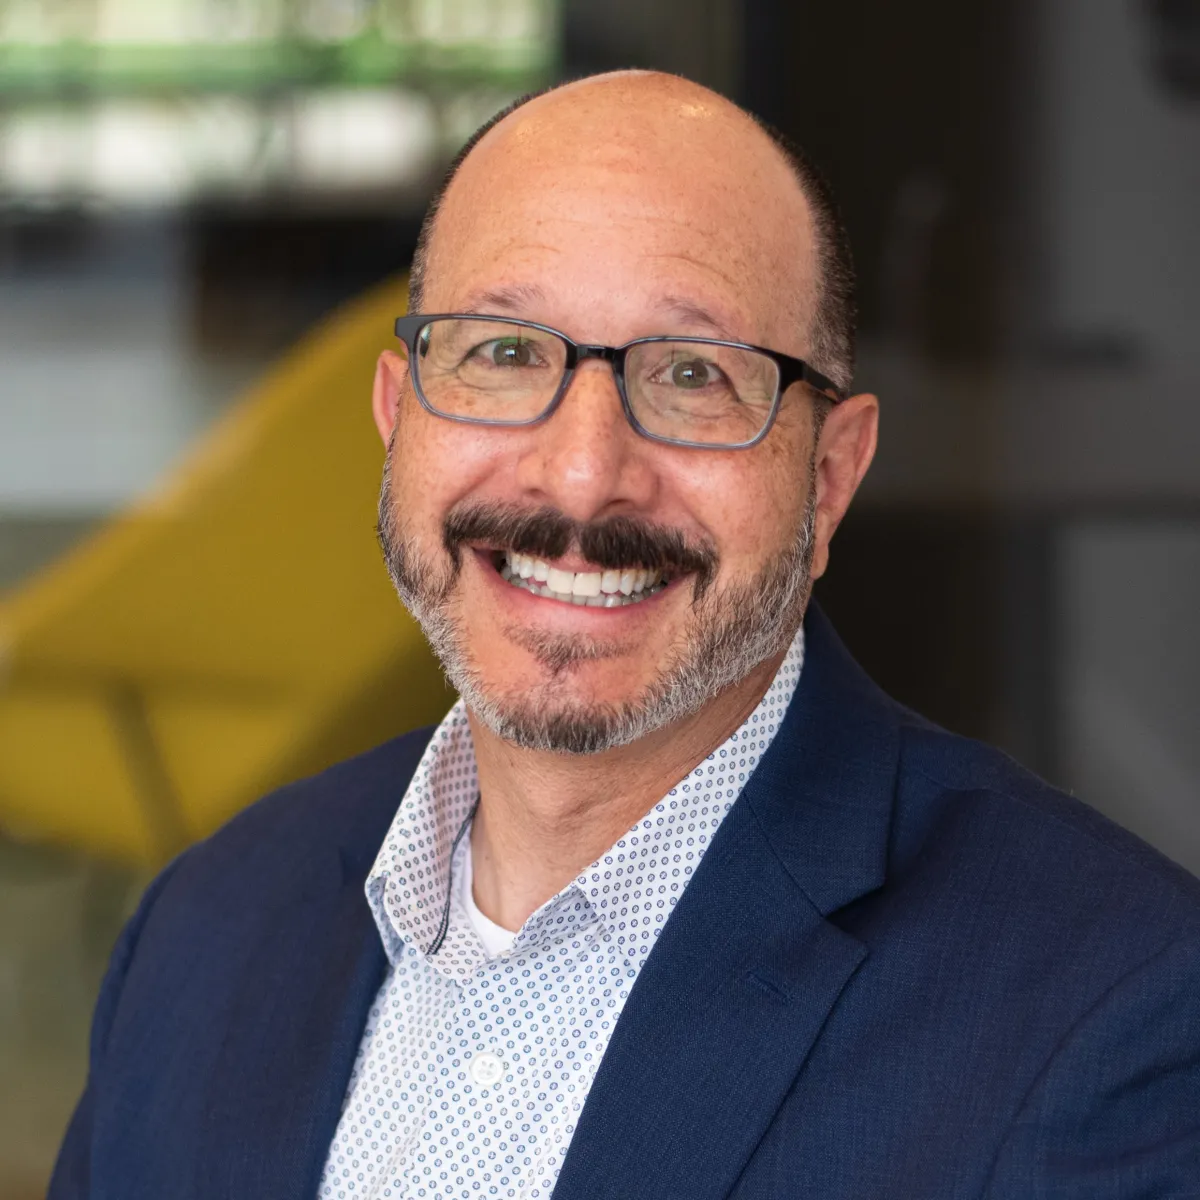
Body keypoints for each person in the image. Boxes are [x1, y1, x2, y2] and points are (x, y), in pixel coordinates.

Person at [52, 71, 1200, 1200]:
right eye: (503, 354)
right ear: (397, 420)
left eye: (694, 375)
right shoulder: (204, 928)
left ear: (832, 479)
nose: (584, 473)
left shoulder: (1115, 1014)